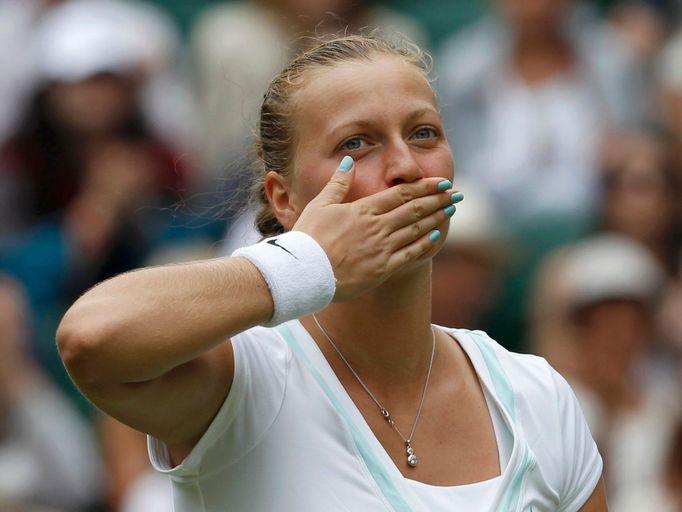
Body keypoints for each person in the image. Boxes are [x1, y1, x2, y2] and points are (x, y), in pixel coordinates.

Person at [56, 35, 607, 511]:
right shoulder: (246, 376)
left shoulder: (538, 395)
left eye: (423, 134)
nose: (407, 168)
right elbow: (90, 336)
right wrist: (308, 261)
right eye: (356, 144)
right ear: (285, 198)